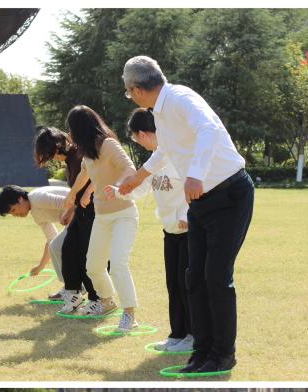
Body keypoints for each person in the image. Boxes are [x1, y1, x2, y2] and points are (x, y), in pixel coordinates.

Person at [117, 56, 253, 373]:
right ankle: (201, 352)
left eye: (128, 92)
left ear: (136, 89)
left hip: (229, 195)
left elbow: (208, 129)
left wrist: (195, 175)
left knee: (216, 277)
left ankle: (223, 354)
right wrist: (137, 177)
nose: (130, 96)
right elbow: (165, 151)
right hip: (201, 202)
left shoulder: (180, 98)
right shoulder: (159, 112)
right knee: (194, 277)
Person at [103, 109, 192, 353]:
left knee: (187, 286)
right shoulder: (155, 160)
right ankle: (177, 334)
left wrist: (186, 215)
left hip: (188, 231)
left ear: (143, 134)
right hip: (170, 231)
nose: (138, 143)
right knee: (173, 285)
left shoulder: (178, 156)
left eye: (135, 138)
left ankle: (193, 335)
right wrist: (120, 192)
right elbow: (142, 189)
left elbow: (196, 186)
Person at [64, 106, 141, 331]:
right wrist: (73, 195)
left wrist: (117, 187)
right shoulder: (88, 151)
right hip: (102, 217)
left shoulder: (109, 145)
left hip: (124, 214)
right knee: (93, 266)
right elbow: (85, 173)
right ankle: (107, 302)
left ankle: (130, 314)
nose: (69, 134)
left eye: (71, 128)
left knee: (118, 264)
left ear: (80, 128)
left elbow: (129, 168)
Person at [34, 126, 100, 313]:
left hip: (94, 212)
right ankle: (73, 293)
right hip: (81, 212)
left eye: (49, 155)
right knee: (63, 247)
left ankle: (96, 298)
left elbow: (92, 183)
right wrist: (70, 211)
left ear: (56, 148)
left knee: (85, 255)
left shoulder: (78, 157)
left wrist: (73, 207)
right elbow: (77, 193)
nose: (52, 160)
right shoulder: (71, 159)